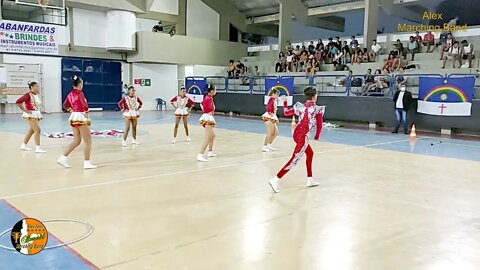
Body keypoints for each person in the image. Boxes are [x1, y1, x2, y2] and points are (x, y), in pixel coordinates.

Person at [268, 87, 324, 193]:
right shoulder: (317, 109)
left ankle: (310, 179)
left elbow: (286, 113)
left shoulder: (300, 106)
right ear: (314, 96)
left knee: (310, 154)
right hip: (303, 137)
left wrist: (285, 104)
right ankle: (276, 179)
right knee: (294, 160)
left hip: (296, 134)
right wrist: (317, 136)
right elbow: (320, 126)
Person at [57, 76, 97, 169]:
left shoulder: (70, 94)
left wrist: (70, 109)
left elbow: (65, 105)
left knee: (77, 141)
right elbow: (84, 104)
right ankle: (87, 162)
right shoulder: (80, 93)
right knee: (88, 142)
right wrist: (86, 113)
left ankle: (63, 157)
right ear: (79, 84)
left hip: (74, 116)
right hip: (81, 117)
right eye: (82, 84)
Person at [16, 82, 46, 153]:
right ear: (32, 87)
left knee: (31, 130)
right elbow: (18, 101)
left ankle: (23, 145)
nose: (38, 87)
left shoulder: (35, 95)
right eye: (36, 86)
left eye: (38, 86)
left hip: (35, 113)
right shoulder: (28, 95)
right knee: (38, 130)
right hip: (31, 114)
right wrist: (24, 110)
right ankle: (37, 148)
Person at [197, 84, 217, 162]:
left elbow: (201, 104)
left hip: (209, 116)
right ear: (211, 91)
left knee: (212, 135)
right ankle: (200, 154)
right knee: (208, 137)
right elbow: (204, 106)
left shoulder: (209, 98)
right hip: (207, 117)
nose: (216, 91)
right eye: (215, 90)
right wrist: (207, 112)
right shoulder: (207, 98)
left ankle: (210, 151)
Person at [262, 87, 280, 152]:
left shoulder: (274, 100)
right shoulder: (271, 99)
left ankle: (269, 145)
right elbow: (268, 106)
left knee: (276, 132)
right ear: (274, 94)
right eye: (277, 95)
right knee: (270, 132)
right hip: (269, 117)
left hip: (272, 117)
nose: (278, 96)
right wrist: (270, 113)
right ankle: (264, 146)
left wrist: (275, 118)